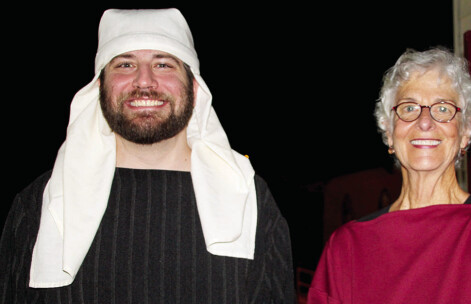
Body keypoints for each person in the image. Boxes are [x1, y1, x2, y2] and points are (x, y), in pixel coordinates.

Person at [0, 8, 295, 303]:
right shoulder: (44, 204)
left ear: (193, 87)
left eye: (164, 64)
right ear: (100, 87)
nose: (144, 81)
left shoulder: (246, 197)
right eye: (125, 64)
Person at [308, 48, 471, 304]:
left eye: (442, 109)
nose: (425, 122)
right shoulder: (346, 247)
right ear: (388, 130)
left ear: (466, 130)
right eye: (409, 108)